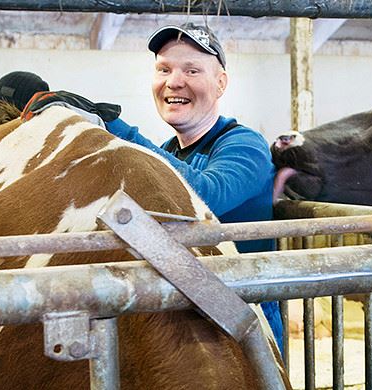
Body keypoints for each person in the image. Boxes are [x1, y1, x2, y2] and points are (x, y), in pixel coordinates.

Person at [101, 23, 283, 353]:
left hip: (245, 314)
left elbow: (205, 194)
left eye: (192, 70)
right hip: (186, 310)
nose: (174, 81)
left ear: (220, 83)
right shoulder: (167, 150)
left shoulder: (244, 145)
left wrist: (122, 136)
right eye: (164, 69)